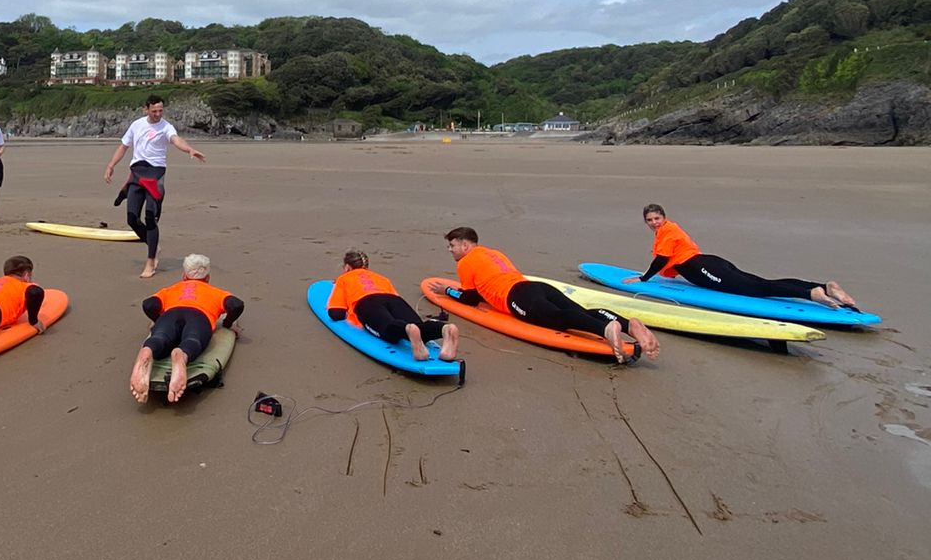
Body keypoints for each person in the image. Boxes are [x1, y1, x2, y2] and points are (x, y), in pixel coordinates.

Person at [445, 227, 659, 364]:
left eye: (452, 245)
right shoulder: (493, 252)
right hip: (535, 286)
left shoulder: (465, 261)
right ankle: (627, 324)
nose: (450, 250)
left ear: (465, 245)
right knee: (577, 311)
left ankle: (604, 329)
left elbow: (470, 299)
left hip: (516, 297)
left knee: (558, 318)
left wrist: (447, 292)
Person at [635, 204, 859, 309]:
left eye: (657, 218)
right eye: (650, 220)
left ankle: (811, 294)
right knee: (760, 283)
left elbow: (662, 260)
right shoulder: (667, 230)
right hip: (711, 263)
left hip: (703, 268)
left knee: (755, 289)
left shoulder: (668, 232)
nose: (654, 222)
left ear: (664, 217)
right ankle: (825, 287)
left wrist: (643, 279)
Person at [103, 96, 205, 280]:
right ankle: (153, 245)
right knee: (132, 218)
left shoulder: (166, 127)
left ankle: (150, 261)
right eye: (154, 111)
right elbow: (123, 147)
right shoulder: (136, 125)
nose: (158, 114)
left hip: (155, 174)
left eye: (160, 111)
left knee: (150, 217)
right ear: (146, 109)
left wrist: (189, 149)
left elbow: (176, 140)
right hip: (137, 173)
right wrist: (111, 165)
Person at [129, 253, 244, 405]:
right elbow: (236, 305)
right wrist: (228, 325)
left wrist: (157, 321)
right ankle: (181, 355)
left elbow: (149, 304)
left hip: (170, 315)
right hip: (199, 317)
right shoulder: (216, 292)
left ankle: (148, 350)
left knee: (160, 338)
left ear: (184, 276)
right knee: (193, 340)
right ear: (208, 278)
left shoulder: (171, 289)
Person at [326, 250, 459, 364]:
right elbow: (393, 299)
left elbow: (335, 313)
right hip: (393, 300)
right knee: (419, 327)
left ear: (347, 267)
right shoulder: (382, 278)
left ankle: (408, 329)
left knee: (387, 329)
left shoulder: (343, 279)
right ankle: (444, 329)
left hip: (366, 303)